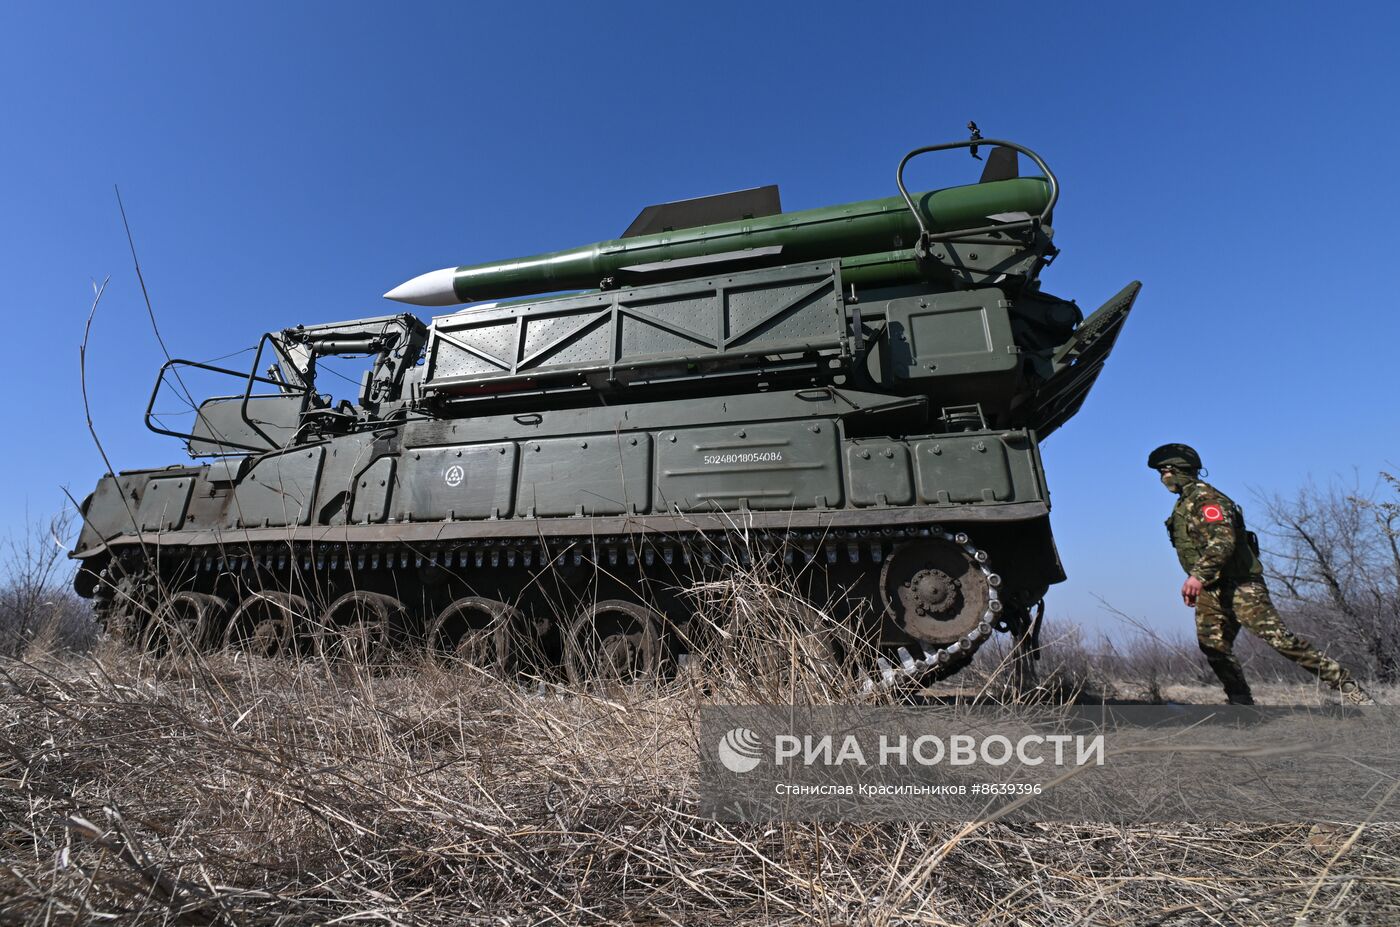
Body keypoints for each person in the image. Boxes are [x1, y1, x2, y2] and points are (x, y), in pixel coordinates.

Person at [1147, 443, 1376, 706]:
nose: (1163, 479)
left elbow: (1223, 542)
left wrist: (1196, 576)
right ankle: (1241, 704)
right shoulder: (1185, 503)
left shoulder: (1206, 500)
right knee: (1214, 647)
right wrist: (1199, 581)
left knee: (1282, 641)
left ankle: (1349, 688)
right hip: (1212, 588)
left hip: (1241, 586)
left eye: (1164, 472)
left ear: (1175, 470)